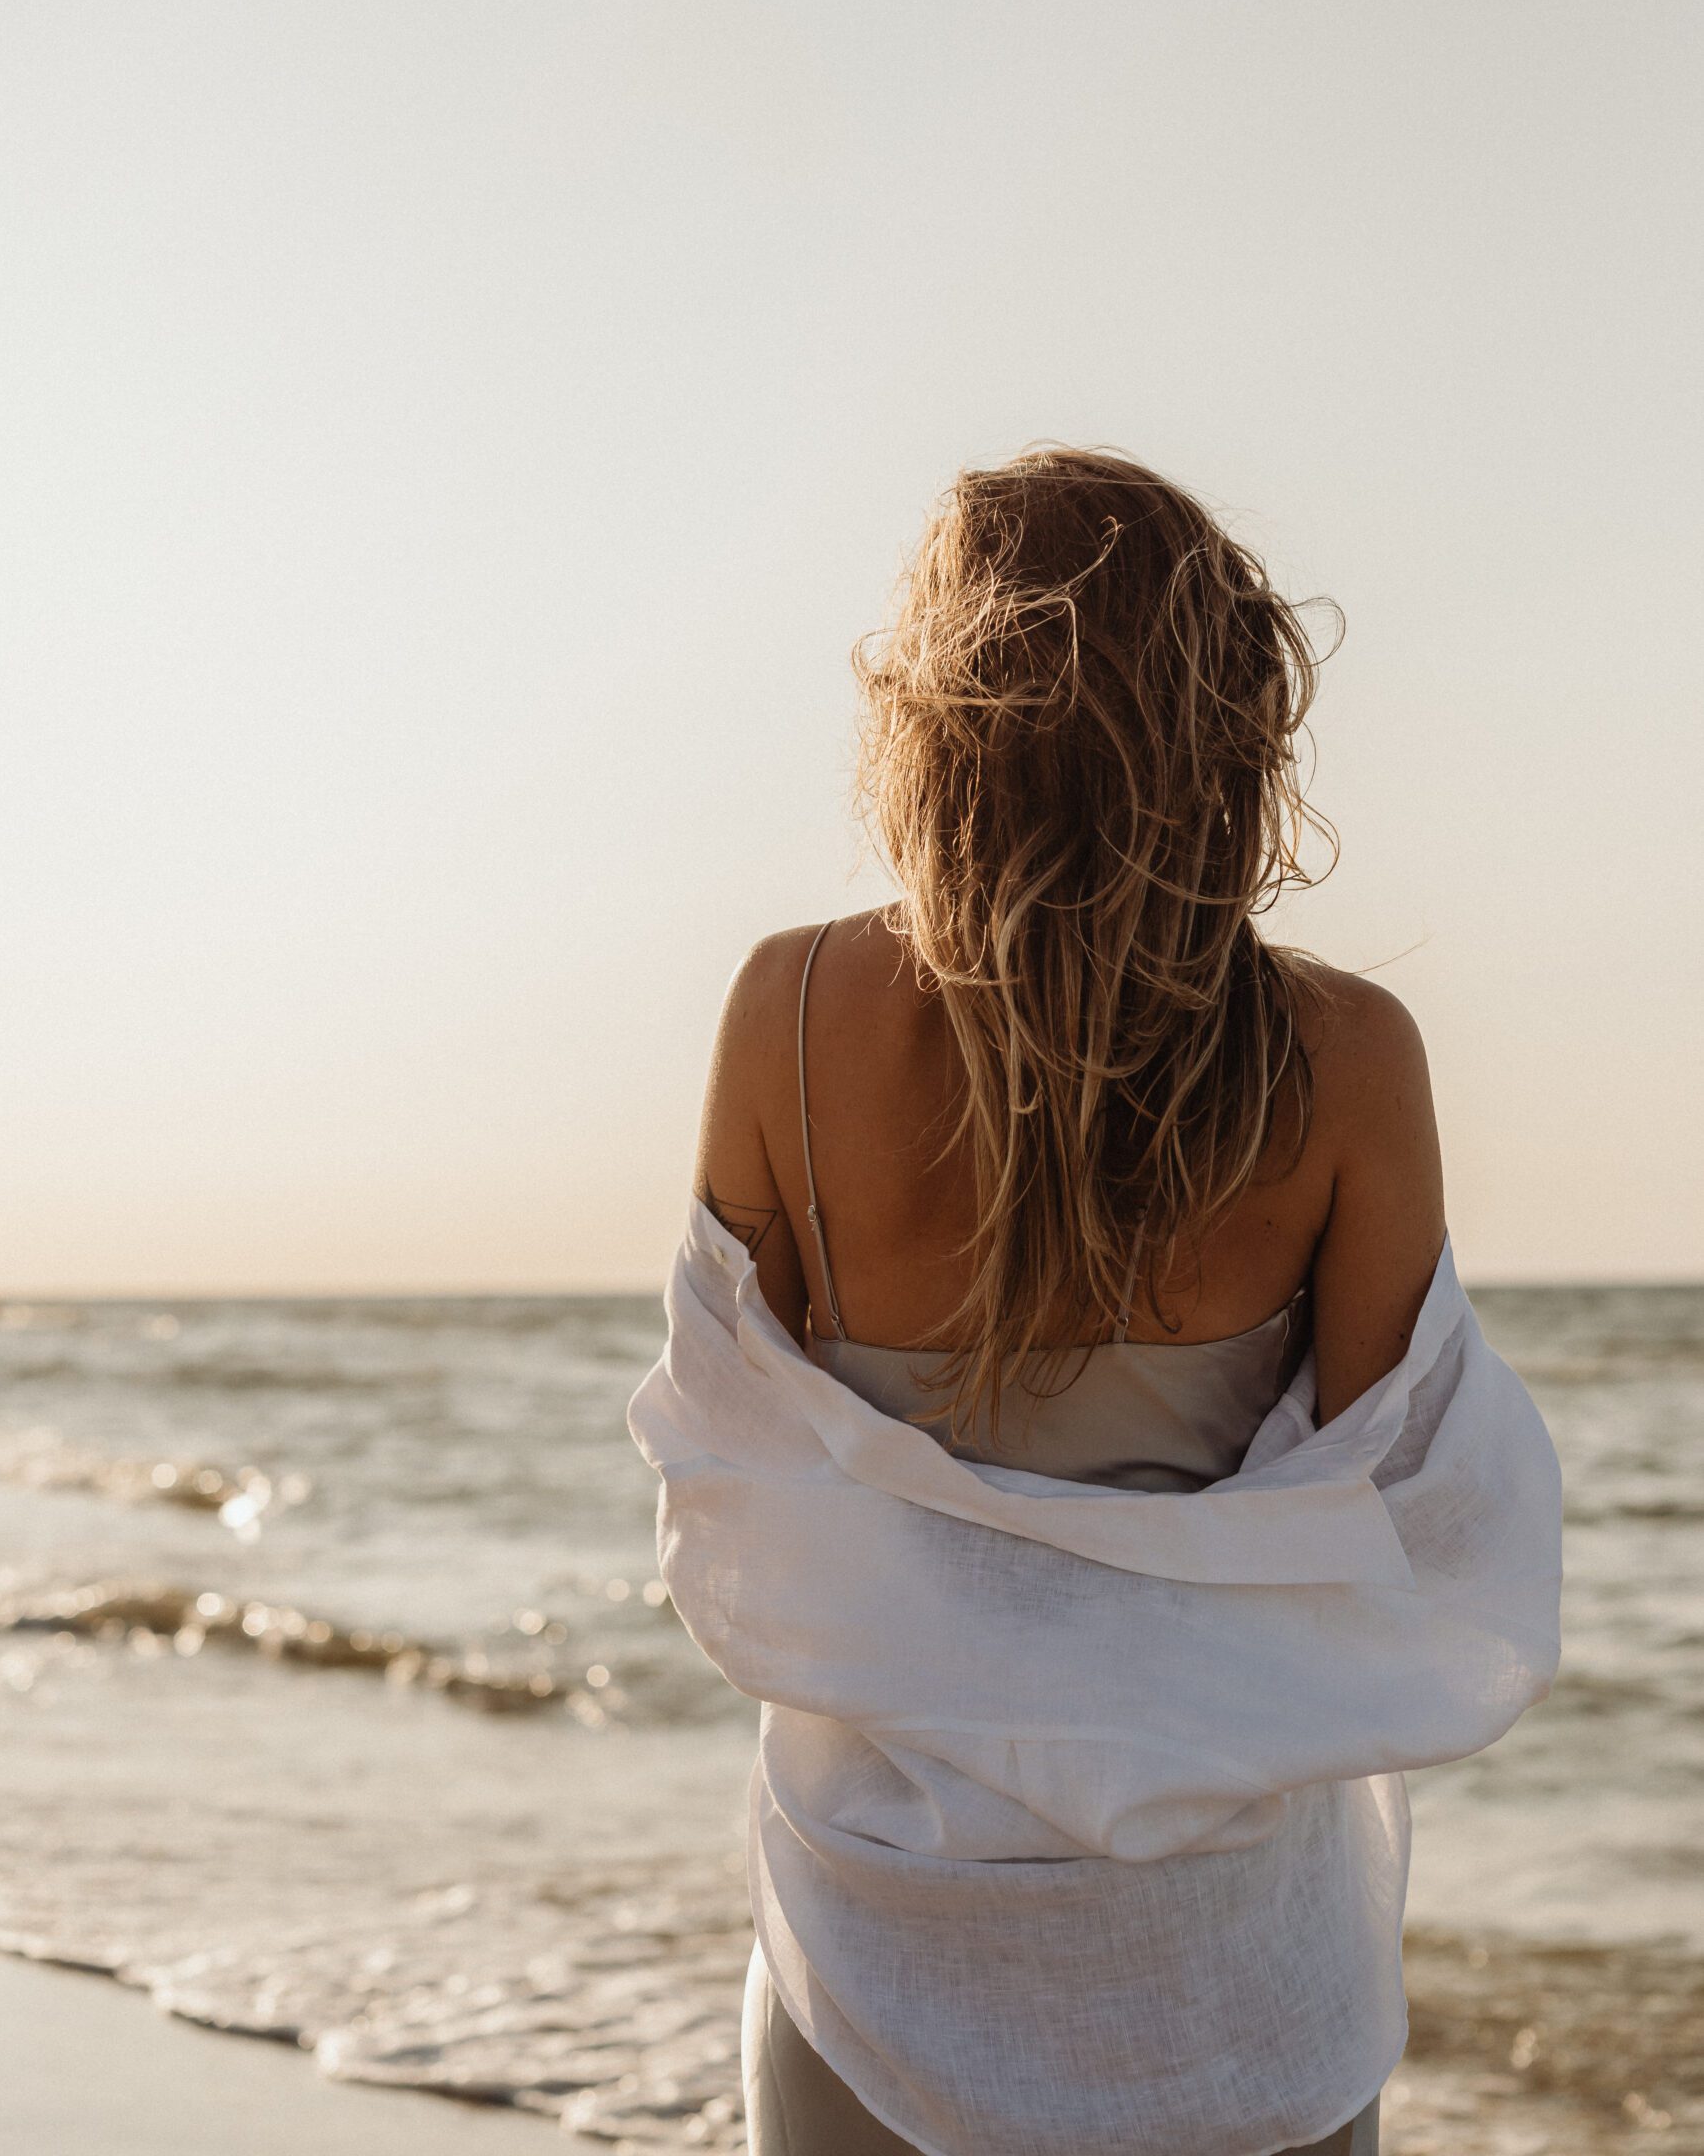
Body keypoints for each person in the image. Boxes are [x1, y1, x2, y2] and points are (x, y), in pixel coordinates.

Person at [630, 447, 1561, 2156]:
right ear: (1226, 723)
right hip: (1225, 1969)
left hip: (888, 1934)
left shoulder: (792, 1010)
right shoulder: (1348, 1061)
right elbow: (1401, 1535)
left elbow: (730, 1487)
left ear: (937, 717)